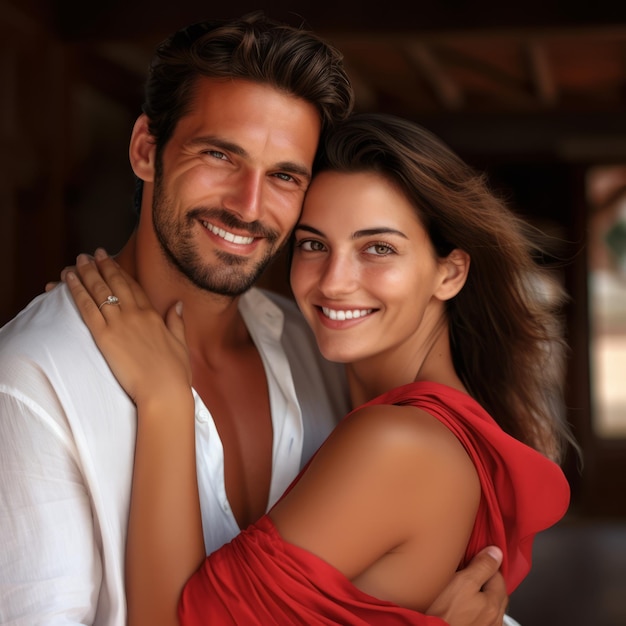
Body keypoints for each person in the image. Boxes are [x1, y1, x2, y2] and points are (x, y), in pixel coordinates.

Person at [0, 14, 508, 626]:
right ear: (145, 150)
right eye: (220, 154)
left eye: (285, 176)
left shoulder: (312, 345)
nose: (248, 206)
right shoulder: (32, 380)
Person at [63, 113, 575, 625]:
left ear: (450, 272)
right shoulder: (420, 421)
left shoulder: (397, 441)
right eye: (313, 244)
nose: (334, 281)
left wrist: (165, 399)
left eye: (378, 248)